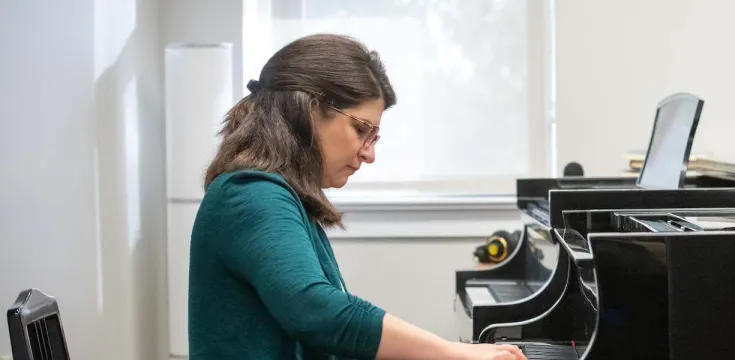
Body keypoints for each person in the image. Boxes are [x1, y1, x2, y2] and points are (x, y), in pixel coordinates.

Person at [187, 34, 526, 360]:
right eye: (362, 130)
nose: (369, 154)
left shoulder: (274, 194)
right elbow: (317, 311)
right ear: (310, 111)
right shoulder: (250, 194)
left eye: (375, 137)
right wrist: (451, 352)